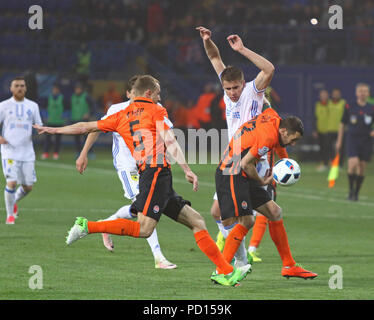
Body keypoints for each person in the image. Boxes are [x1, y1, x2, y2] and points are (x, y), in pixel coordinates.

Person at [34, 75, 252, 287]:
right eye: (158, 92)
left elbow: (85, 126)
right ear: (148, 93)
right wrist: (187, 169)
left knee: (197, 222)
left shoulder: (121, 114)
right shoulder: (156, 110)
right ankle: (87, 226)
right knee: (144, 229)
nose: (160, 96)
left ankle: (225, 271)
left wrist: (53, 129)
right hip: (155, 174)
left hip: (157, 176)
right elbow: (169, 140)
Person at [197, 26, 317, 279]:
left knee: (249, 217)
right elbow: (215, 58)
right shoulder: (228, 91)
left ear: (243, 83)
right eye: (227, 89)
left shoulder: (254, 90)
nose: (231, 93)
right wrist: (208, 40)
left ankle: (241, 264)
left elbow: (270, 69)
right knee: (220, 214)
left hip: (253, 160)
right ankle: (238, 262)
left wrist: (241, 49)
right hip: (236, 159)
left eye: (235, 88)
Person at [76, 75, 177, 269]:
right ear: (128, 93)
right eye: (132, 92)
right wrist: (84, 153)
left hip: (149, 165)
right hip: (127, 166)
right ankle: (158, 257)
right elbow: (96, 128)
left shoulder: (152, 108)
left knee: (141, 206)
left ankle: (107, 224)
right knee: (143, 209)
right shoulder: (117, 109)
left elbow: (165, 131)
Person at [215, 106, 317, 280]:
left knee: (275, 212)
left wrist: (285, 161)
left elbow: (266, 103)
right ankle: (221, 271)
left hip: (243, 173)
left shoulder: (272, 116)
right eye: (293, 140)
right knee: (246, 220)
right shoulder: (268, 137)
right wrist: (262, 182)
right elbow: (246, 163)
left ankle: (289, 265)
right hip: (232, 171)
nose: (293, 144)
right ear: (283, 131)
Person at [0, 76, 43, 224]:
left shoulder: (33, 106)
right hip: (9, 151)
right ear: (11, 89)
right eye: (16, 85)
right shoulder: (3, 106)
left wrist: (41, 130)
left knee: (28, 186)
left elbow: (38, 124)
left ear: (26, 88)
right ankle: (10, 215)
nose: (19, 88)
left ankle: (14, 201)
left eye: (22, 86)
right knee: (11, 182)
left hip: (27, 152)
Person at [336, 83, 374, 201]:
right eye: (360, 91)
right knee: (353, 163)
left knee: (362, 167)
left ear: (368, 93)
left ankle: (356, 193)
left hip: (366, 140)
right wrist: (339, 140)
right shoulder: (349, 106)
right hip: (352, 139)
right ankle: (351, 190)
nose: (362, 93)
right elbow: (342, 123)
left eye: (365, 91)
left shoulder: (371, 107)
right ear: (356, 93)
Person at [42, 84, 65, 160]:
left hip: (59, 122)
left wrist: (64, 115)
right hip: (50, 122)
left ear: (58, 90)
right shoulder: (49, 98)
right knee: (47, 139)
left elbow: (67, 108)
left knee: (58, 139)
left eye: (56, 89)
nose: (55, 90)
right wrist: (46, 116)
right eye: (54, 89)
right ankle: (46, 153)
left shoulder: (62, 98)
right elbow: (44, 108)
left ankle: (56, 153)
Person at [70, 83, 92, 157]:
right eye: (76, 89)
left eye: (79, 89)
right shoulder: (72, 97)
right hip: (75, 120)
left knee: (87, 138)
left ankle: (89, 152)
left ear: (81, 89)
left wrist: (89, 113)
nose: (77, 90)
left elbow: (94, 106)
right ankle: (78, 152)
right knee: (77, 139)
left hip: (84, 121)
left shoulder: (86, 97)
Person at [327, 89, 346, 166]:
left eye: (337, 94)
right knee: (330, 148)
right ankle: (332, 162)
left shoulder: (343, 103)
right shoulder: (328, 103)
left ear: (340, 94)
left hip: (340, 130)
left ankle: (340, 164)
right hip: (330, 129)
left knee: (341, 147)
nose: (336, 95)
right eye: (334, 93)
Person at [313, 89, 330, 172]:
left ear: (328, 96)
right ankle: (325, 164)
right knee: (322, 148)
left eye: (325, 95)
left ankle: (332, 164)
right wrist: (314, 130)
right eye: (322, 95)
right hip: (320, 130)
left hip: (329, 131)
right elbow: (315, 118)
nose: (323, 96)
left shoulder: (331, 105)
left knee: (329, 148)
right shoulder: (317, 105)